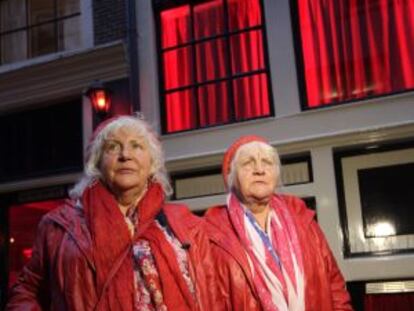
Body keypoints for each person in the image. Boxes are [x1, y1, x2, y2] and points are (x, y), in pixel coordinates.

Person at [6, 115, 217, 310]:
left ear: (152, 163)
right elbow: (27, 290)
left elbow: (211, 292)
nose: (125, 155)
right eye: (113, 147)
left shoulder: (185, 224)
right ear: (97, 162)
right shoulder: (58, 226)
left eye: (136, 146)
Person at [205, 135, 353, 311]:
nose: (260, 169)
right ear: (231, 175)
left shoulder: (304, 221)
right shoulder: (213, 234)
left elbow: (335, 286)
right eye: (248, 163)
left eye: (267, 162)